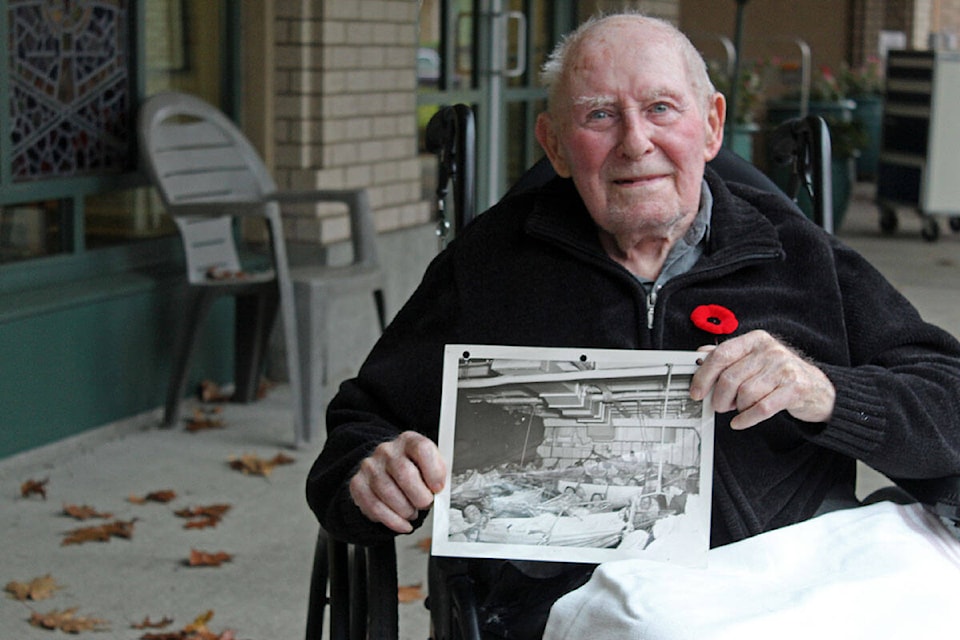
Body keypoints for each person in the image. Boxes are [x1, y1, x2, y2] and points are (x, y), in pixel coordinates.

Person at [307, 12, 960, 639]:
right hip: (576, 601)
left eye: (661, 109)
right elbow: (365, 422)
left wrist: (829, 393)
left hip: (791, 583)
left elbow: (947, 399)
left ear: (711, 127)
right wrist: (374, 470)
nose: (636, 141)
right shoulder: (492, 263)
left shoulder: (797, 253)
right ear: (555, 146)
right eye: (599, 115)